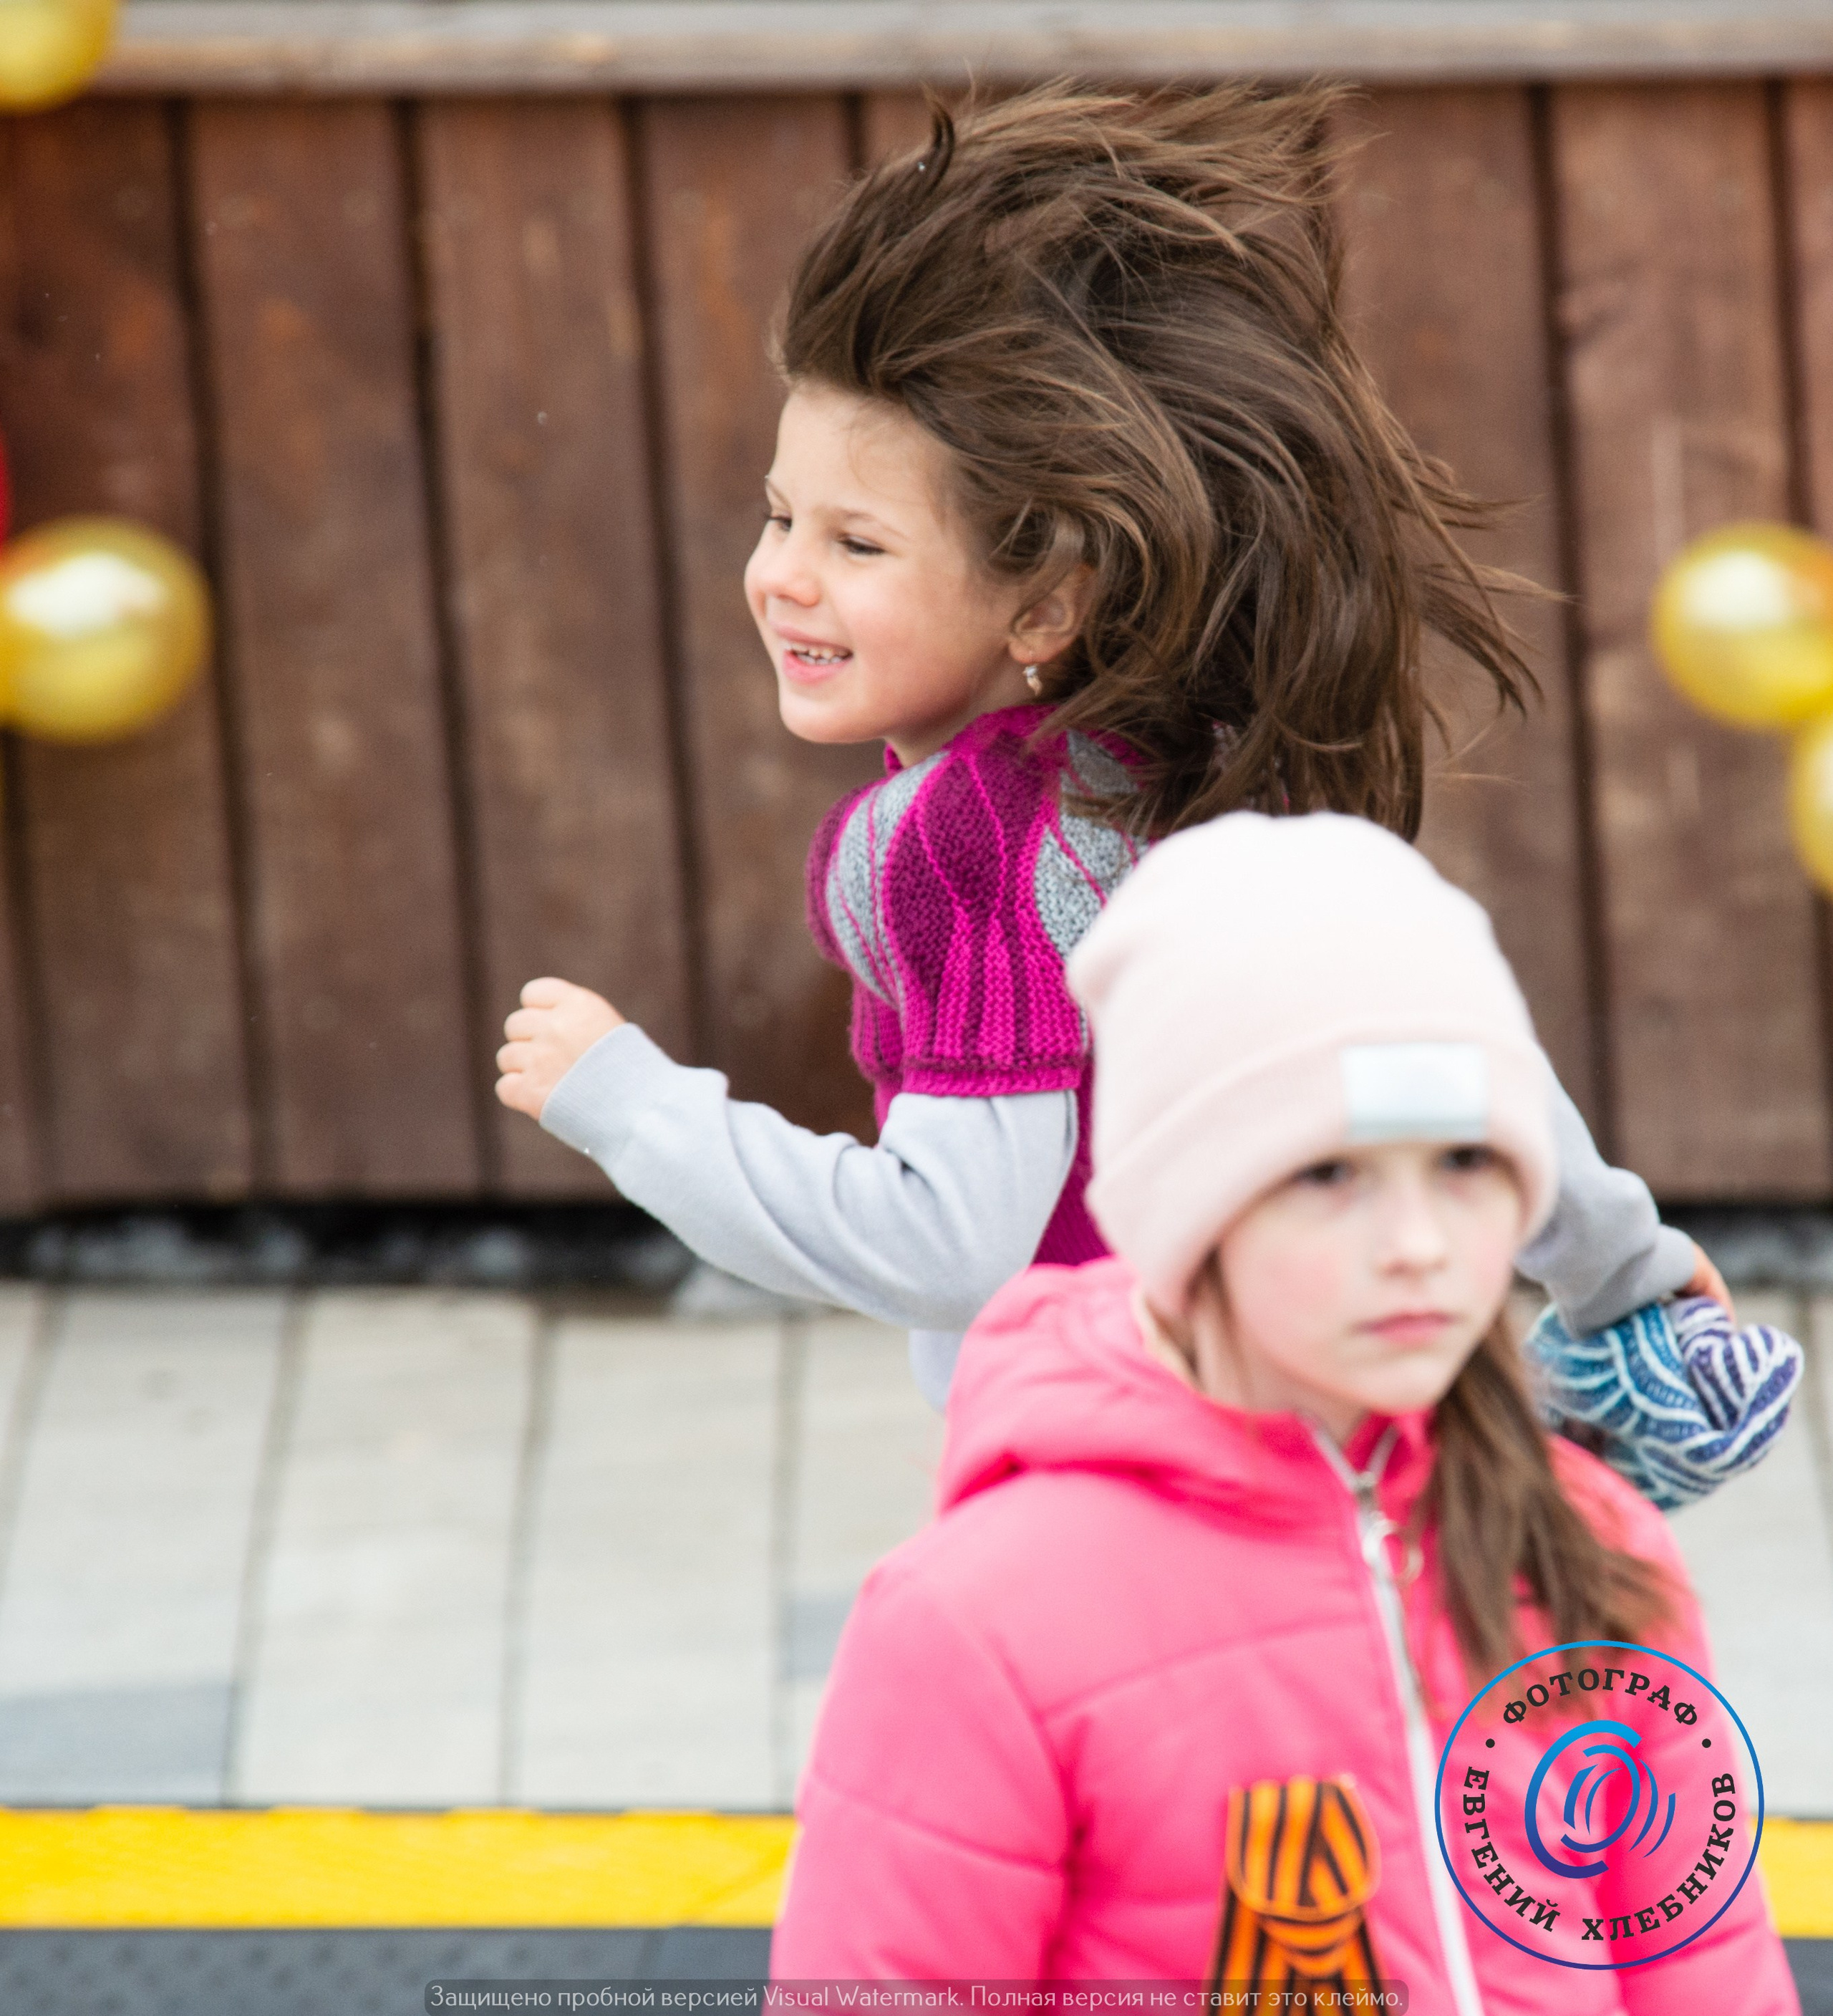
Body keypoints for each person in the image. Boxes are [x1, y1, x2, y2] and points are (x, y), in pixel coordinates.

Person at [494, 85, 1723, 1432]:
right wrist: (1629, 1278)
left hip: (1109, 1462)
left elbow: (946, 1246)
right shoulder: (1217, 758)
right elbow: (1452, 1056)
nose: (784, 578)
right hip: (1327, 1424)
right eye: (781, 517)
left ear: (1043, 605)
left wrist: (634, 1109)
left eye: (858, 546)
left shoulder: (984, 847)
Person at [769, 811, 1800, 2006]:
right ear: (1183, 1208)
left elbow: (1703, 1961)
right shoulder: (972, 1623)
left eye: (1467, 1164)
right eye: (1328, 1174)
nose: (1418, 1245)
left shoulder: (1590, 1544)